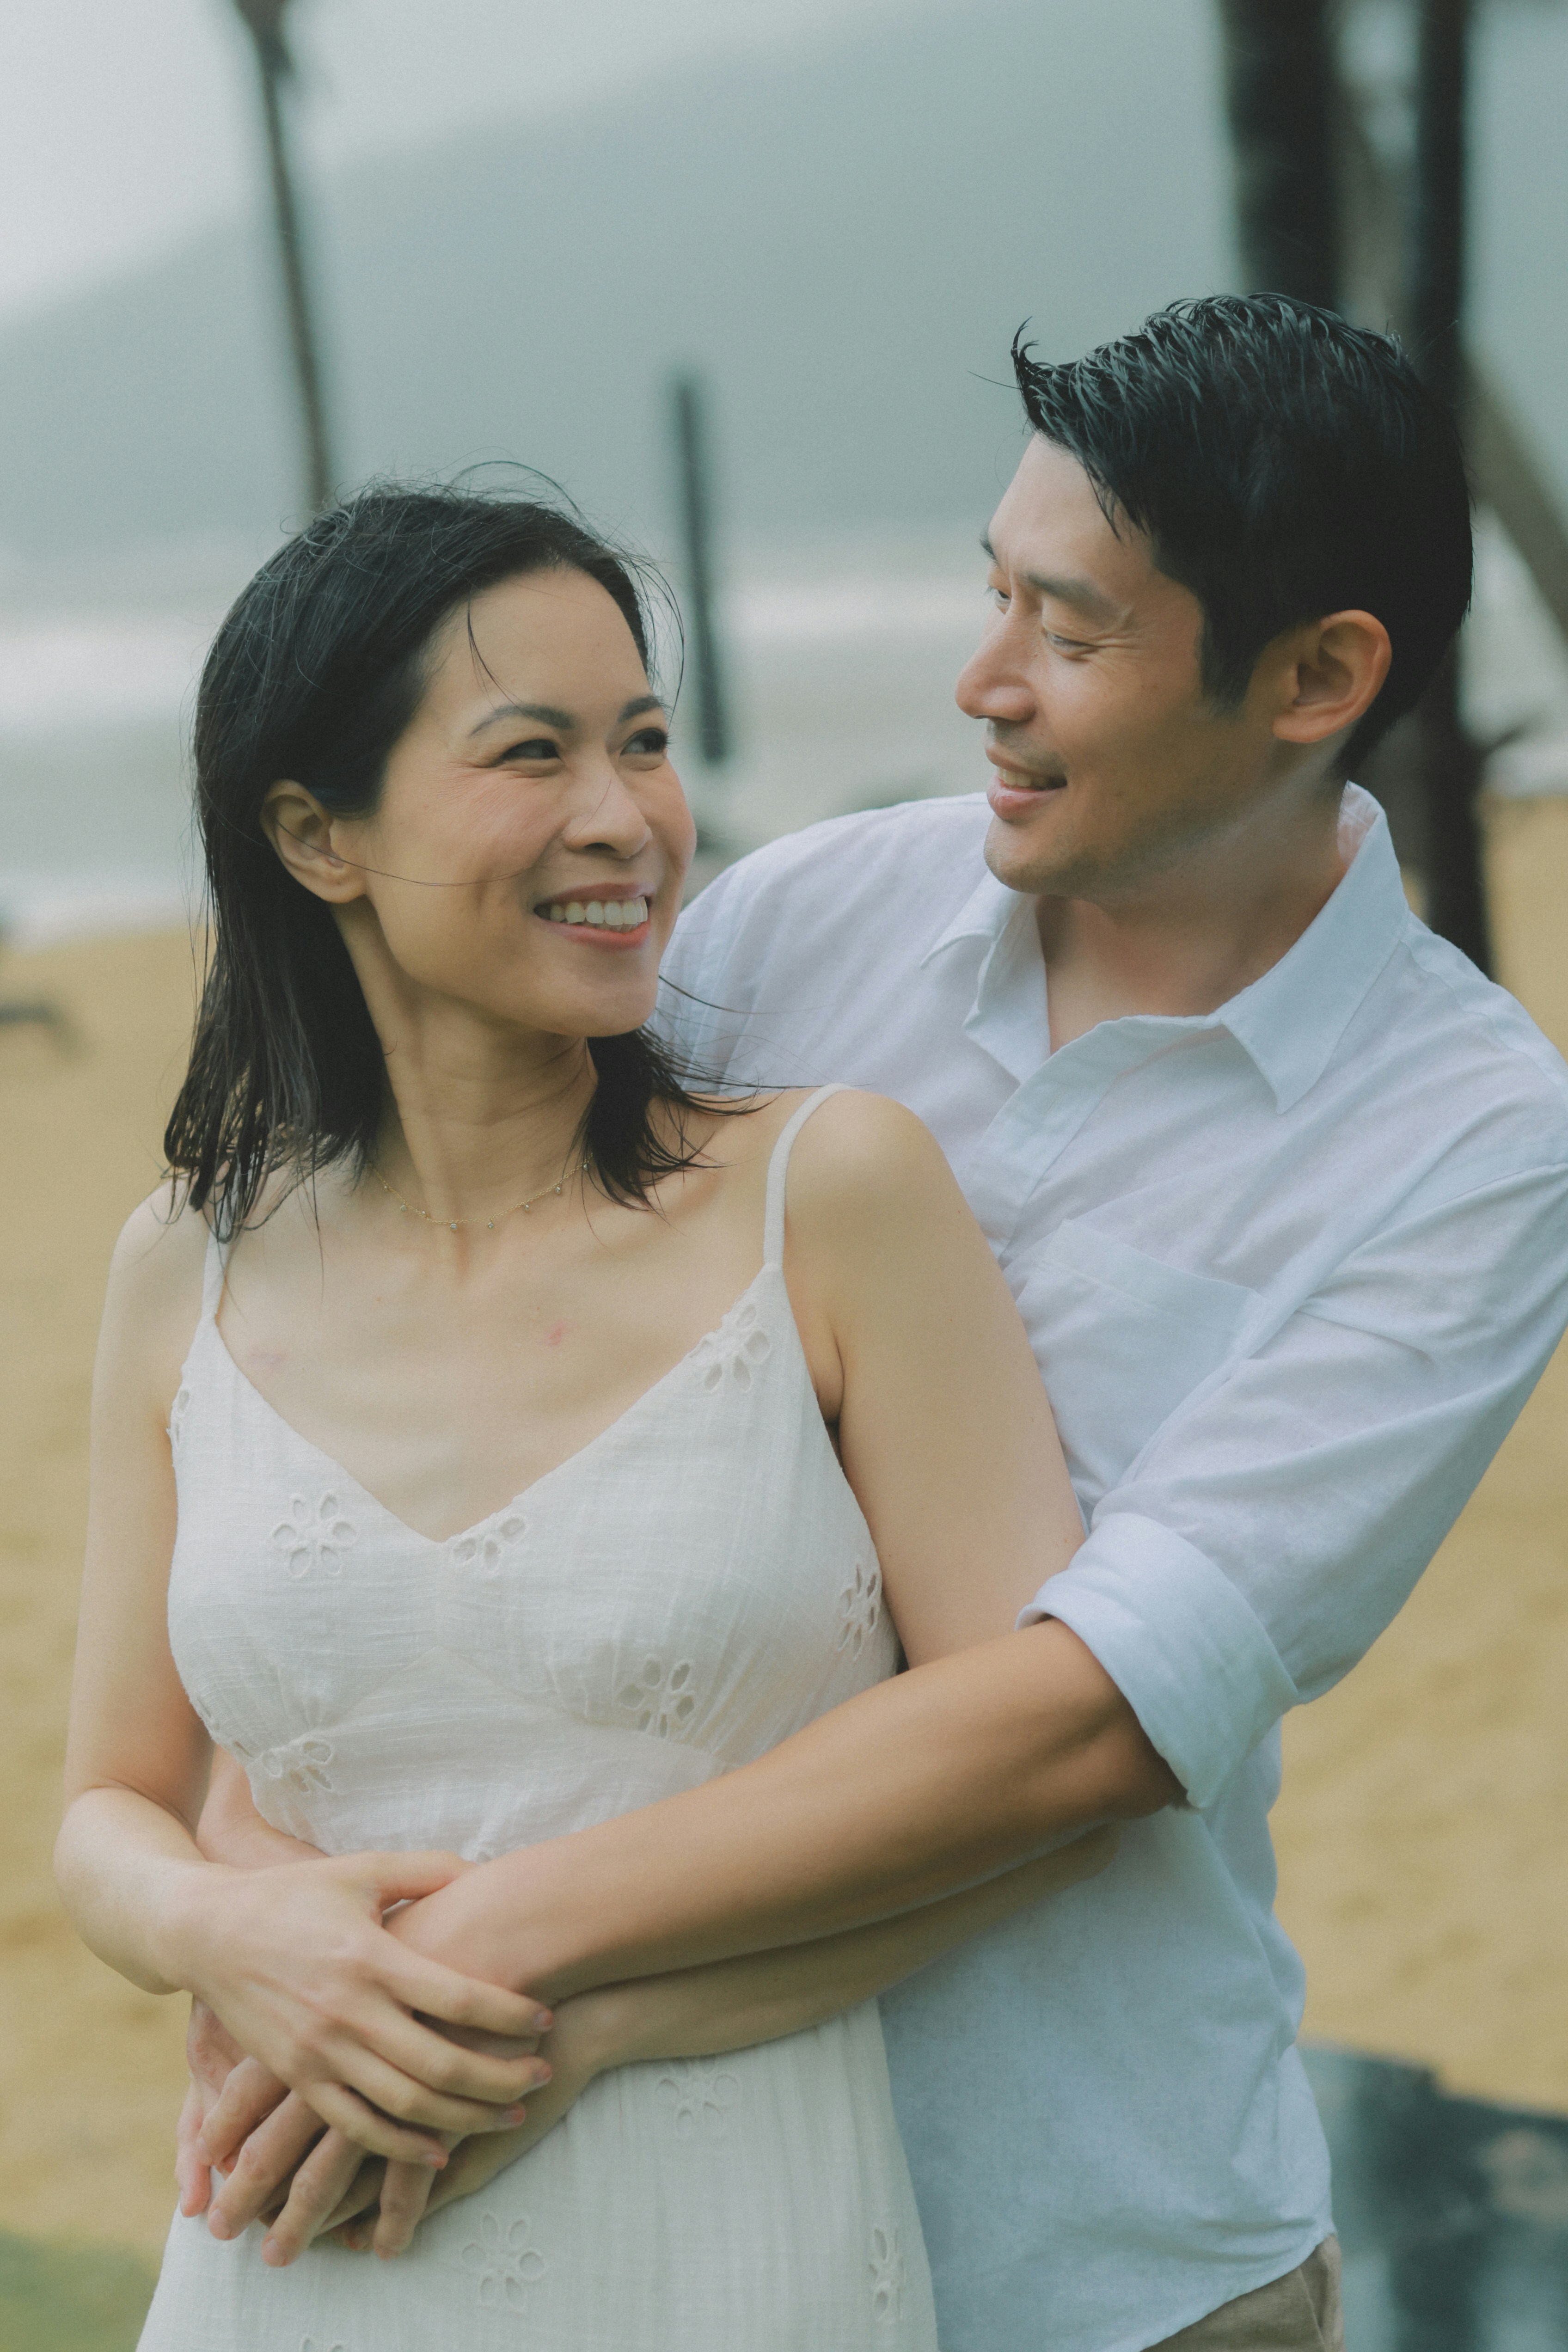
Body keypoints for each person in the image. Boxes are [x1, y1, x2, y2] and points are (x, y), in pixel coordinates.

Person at [177, 295, 1568, 2352]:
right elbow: (417, 1382)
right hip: (603, 2216)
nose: (979, 682)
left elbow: (1090, 1716)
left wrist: (495, 1971)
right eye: (989, 591)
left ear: (1317, 677)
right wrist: (247, 1902)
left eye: (1070, 632)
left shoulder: (1467, 1143)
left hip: (1075, 2254)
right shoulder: (779, 929)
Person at [55, 483, 1126, 2350]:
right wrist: (225, 1937)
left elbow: (1038, 1797)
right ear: (314, 832)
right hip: (292, 2258)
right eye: (528, 754)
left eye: (642, 742)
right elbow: (106, 1811)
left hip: (734, 2244)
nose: (624, 818)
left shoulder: (833, 1199)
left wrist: (566, 2024)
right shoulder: (185, 1265)